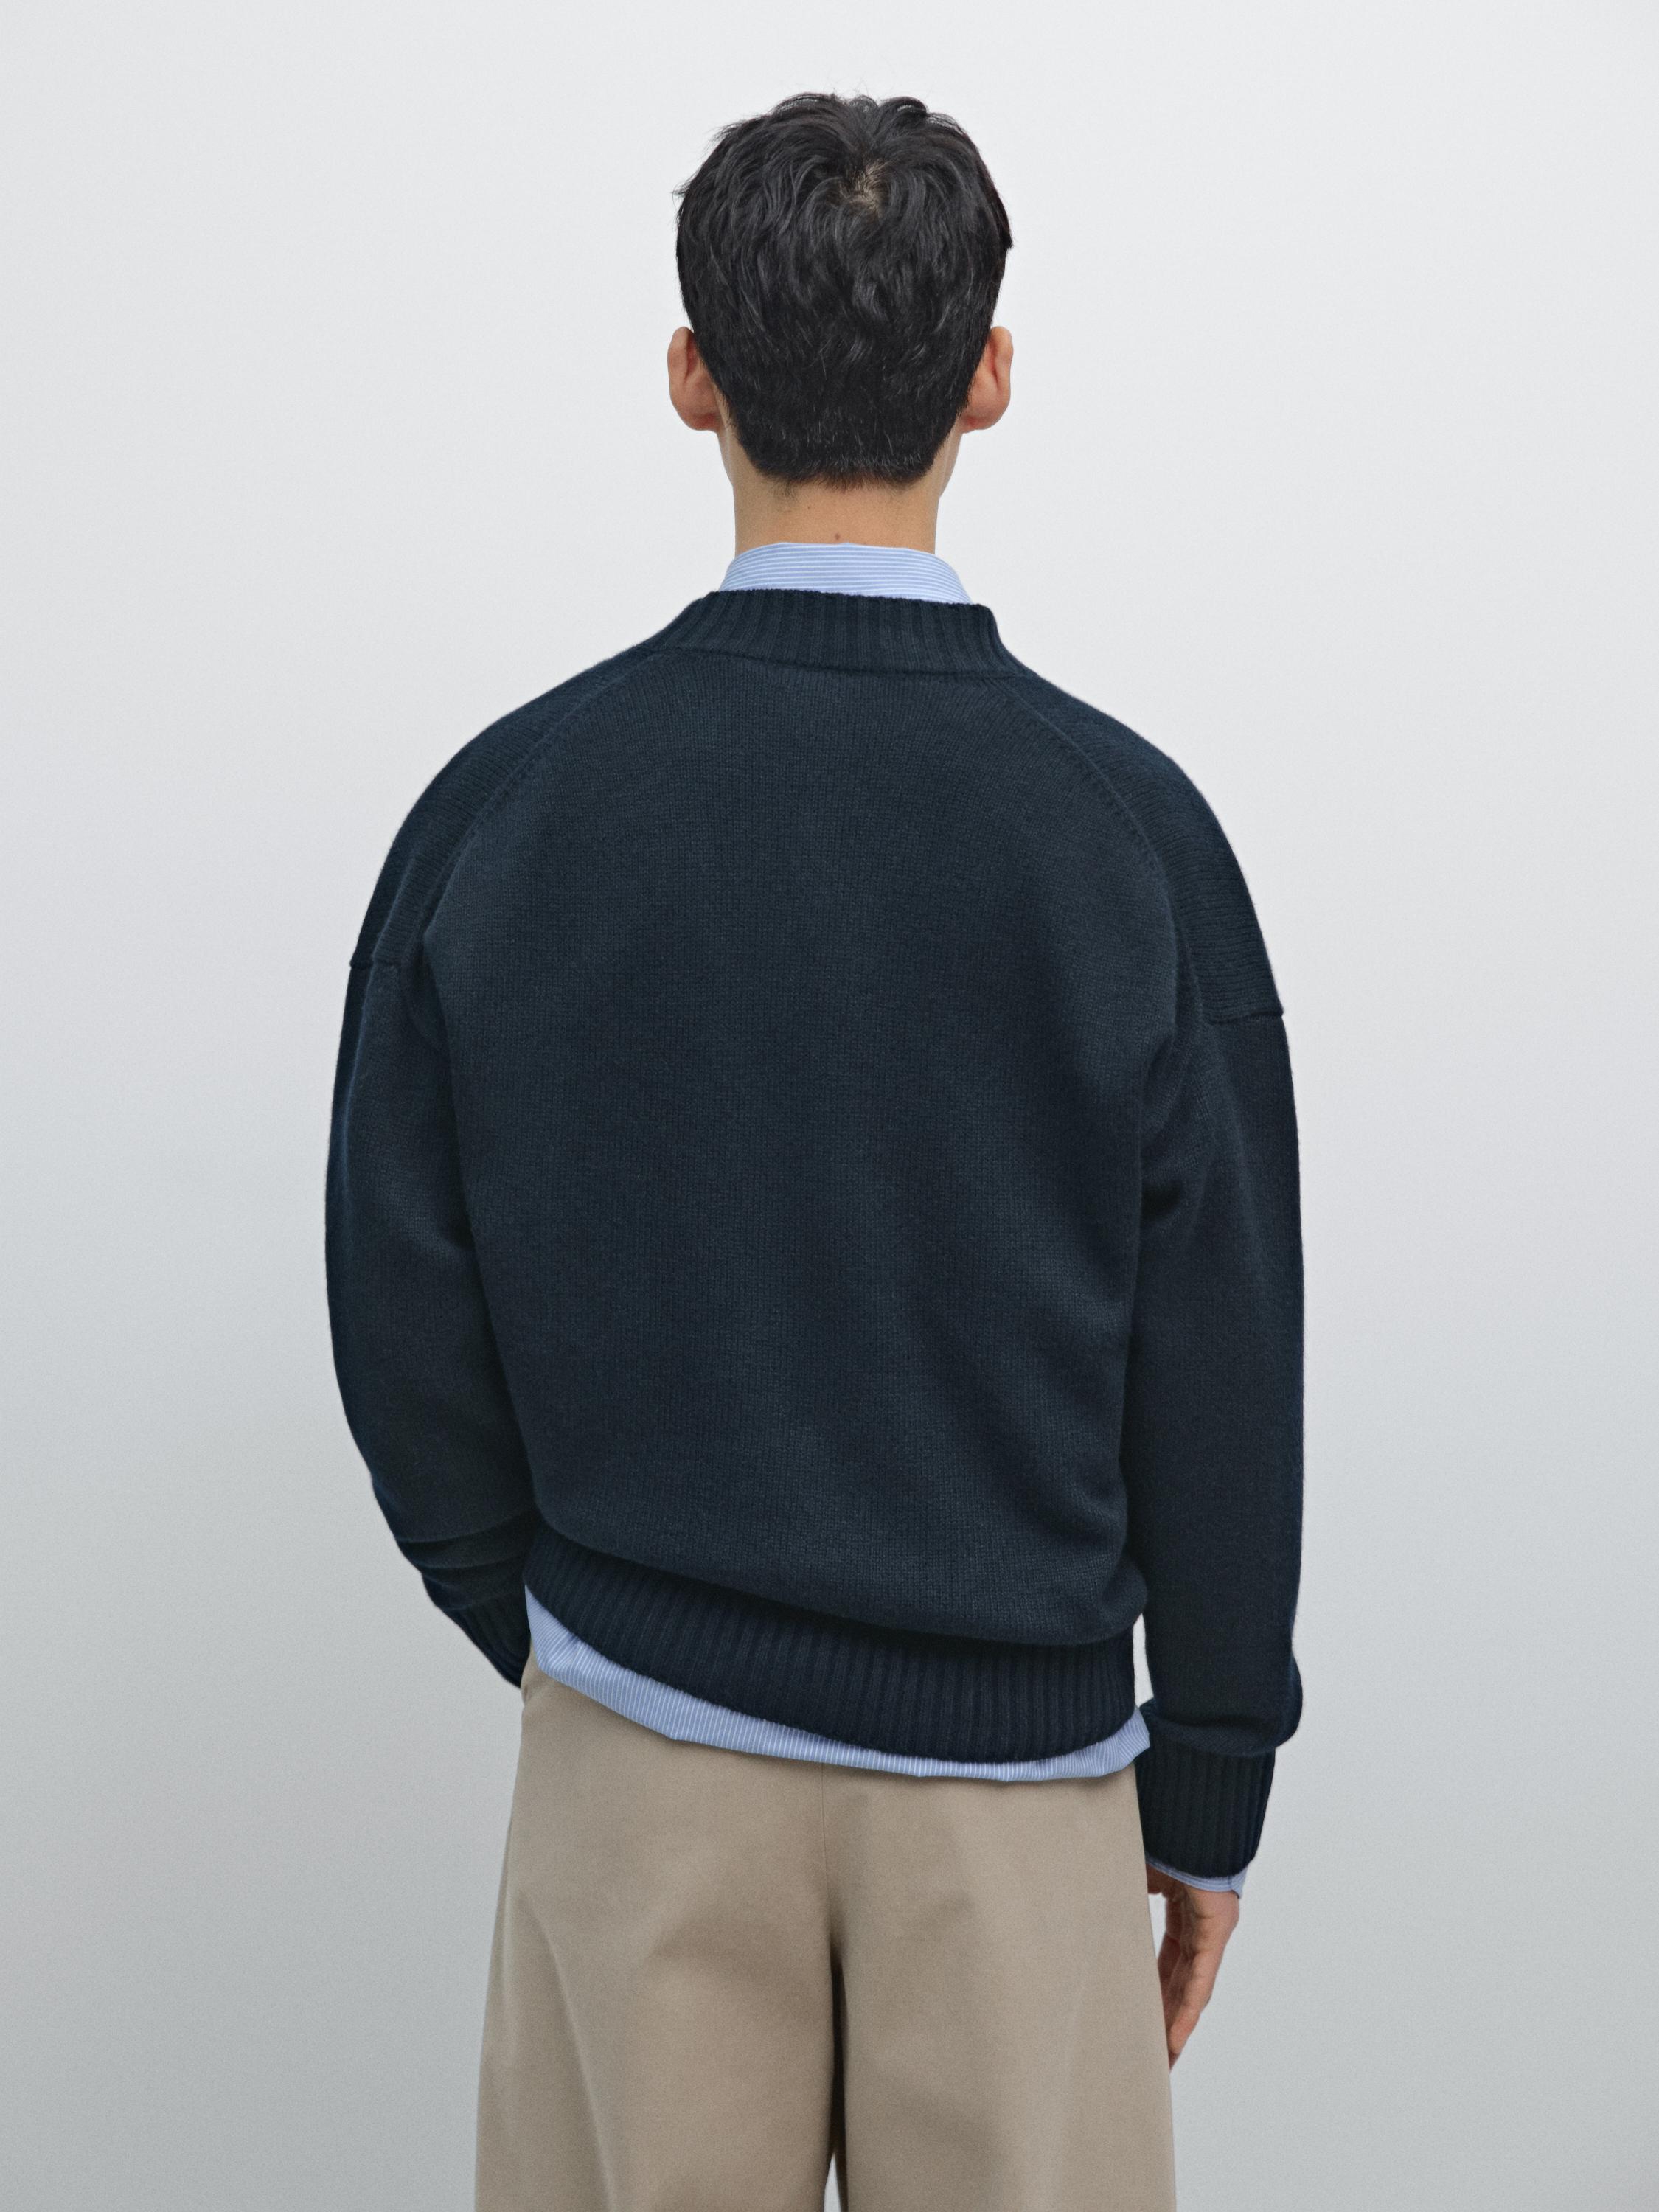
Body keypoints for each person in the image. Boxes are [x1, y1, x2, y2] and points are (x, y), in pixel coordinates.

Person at [326, 90, 1303, 2212]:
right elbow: (1222, 1354)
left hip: (641, 1755)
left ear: (692, 374)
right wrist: (1212, 1770)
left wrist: (564, 1623)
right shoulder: (1132, 840)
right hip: (1021, 1792)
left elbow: (396, 1298)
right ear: (989, 375)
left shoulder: (507, 810)